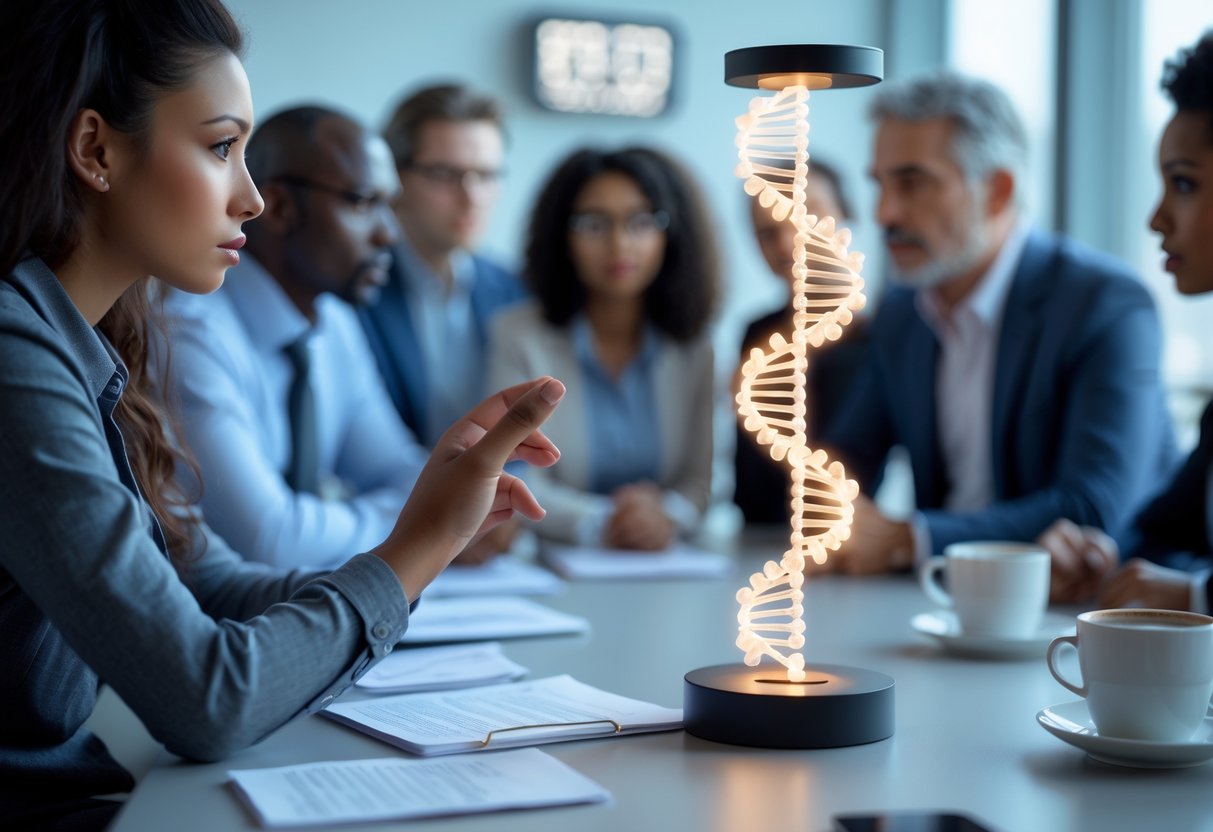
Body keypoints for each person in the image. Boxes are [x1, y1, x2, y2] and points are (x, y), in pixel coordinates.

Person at [0, 2, 562, 827]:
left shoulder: (92, 343)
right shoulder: (16, 356)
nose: (254, 199)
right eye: (221, 147)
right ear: (95, 151)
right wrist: (415, 548)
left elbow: (212, 582)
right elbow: (205, 700)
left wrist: (422, 546)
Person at [819, 71, 1177, 575]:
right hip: (942, 607)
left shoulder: (1105, 304)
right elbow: (846, 460)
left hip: (1088, 618)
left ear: (997, 192)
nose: (884, 213)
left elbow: (1092, 507)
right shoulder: (903, 312)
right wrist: (830, 508)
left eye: (912, 183)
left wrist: (911, 539)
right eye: (879, 184)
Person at [160, 106, 438, 570]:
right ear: (282, 207)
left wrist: (442, 509)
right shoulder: (189, 328)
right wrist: (434, 526)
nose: (390, 234)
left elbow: (396, 467)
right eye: (364, 202)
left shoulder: (334, 322)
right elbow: (270, 540)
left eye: (392, 207)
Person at [1038, 33, 1213, 612]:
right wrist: (1102, 559)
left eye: (1183, 183)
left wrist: (1195, 594)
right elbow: (1163, 533)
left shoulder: (1107, 304)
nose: (1156, 218)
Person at [489, 147, 720, 550]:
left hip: (665, 568)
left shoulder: (697, 348)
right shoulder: (517, 335)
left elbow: (703, 481)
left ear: (672, 233)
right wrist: (602, 523)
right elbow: (512, 472)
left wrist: (665, 515)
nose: (619, 244)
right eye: (595, 225)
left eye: (641, 222)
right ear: (563, 234)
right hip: (555, 564)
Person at [360, 83, 526, 449]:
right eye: (444, 174)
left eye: (486, 175)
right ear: (394, 177)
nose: (472, 197)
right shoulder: (353, 288)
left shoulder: (517, 290)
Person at [733, 158, 872, 525]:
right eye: (765, 233)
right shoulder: (755, 335)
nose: (785, 243)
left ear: (848, 217)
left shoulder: (884, 336)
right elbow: (750, 491)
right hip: (761, 541)